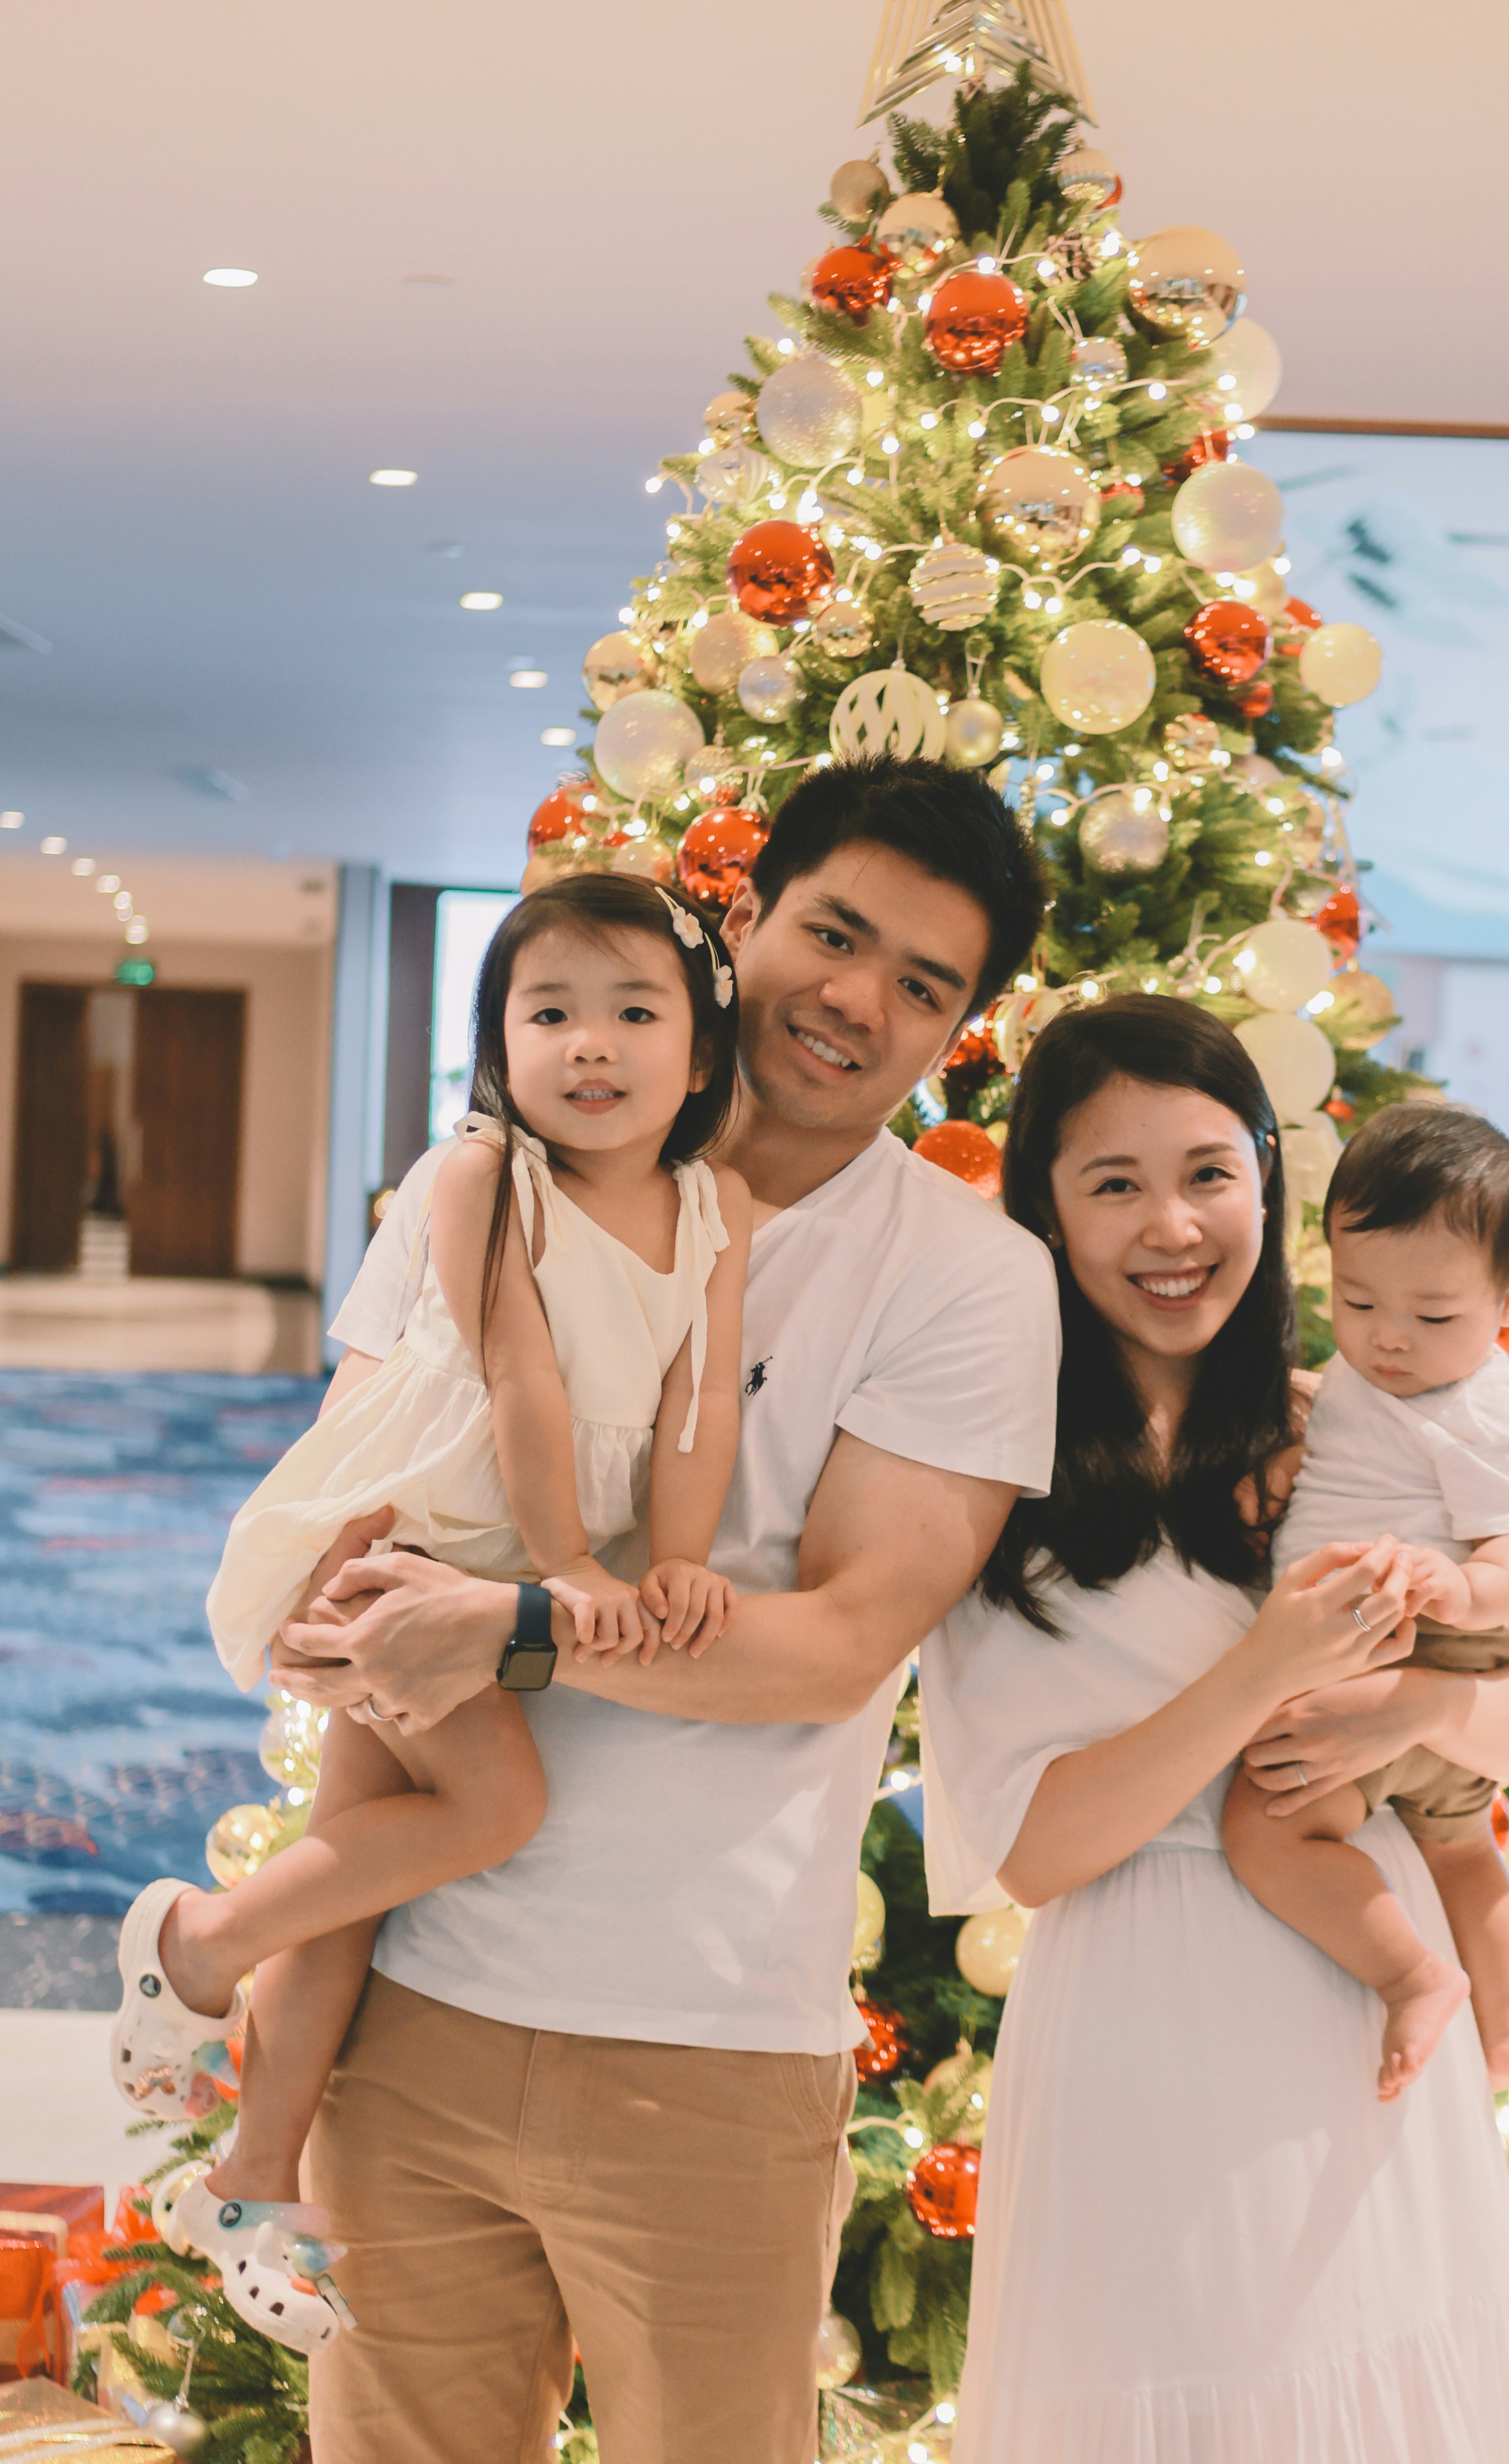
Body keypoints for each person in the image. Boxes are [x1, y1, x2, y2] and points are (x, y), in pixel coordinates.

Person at [268, 756, 1060, 2464]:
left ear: (959, 1028)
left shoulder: (968, 1277)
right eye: (831, 934)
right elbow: (354, 1491)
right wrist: (340, 1609)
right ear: (743, 913)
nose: (855, 1000)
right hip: (414, 2004)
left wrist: (515, 1624)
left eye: (922, 984)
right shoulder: (480, 1178)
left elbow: (838, 1644)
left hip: (706, 2041)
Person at [919, 995, 1509, 2464]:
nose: (1172, 1226)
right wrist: (1264, 1669)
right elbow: (1030, 1851)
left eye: (1209, 1173)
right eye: (1114, 1183)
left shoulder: (1345, 1422)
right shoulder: (996, 1481)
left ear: (1268, 1188)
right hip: (1141, 2023)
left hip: (1362, 2003)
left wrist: (1414, 1704)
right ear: (1045, 1208)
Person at [111, 874, 749, 2351]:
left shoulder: (706, 1207)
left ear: (701, 1053)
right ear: (497, 1042)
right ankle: (196, 1943)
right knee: (493, 1804)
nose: (589, 1043)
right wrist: (565, 1568)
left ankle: (252, 2178)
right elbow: (521, 1376)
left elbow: (701, 1402)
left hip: (480, 1563)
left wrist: (678, 1556)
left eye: (633, 1011)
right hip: (414, 1537)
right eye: (549, 1012)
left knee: (348, 1873)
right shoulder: (482, 1174)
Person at [1222, 1100, 1509, 2102]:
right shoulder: (1357, 1379)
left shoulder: (1485, 1407)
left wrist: (1466, 1588)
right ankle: (1506, 2042)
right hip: (1379, 1648)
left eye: (1433, 1317)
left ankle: (1416, 1977)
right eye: (1358, 1302)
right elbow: (1347, 1448)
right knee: (1460, 1851)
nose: (1389, 1340)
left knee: (1267, 1828)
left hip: (1426, 1647)